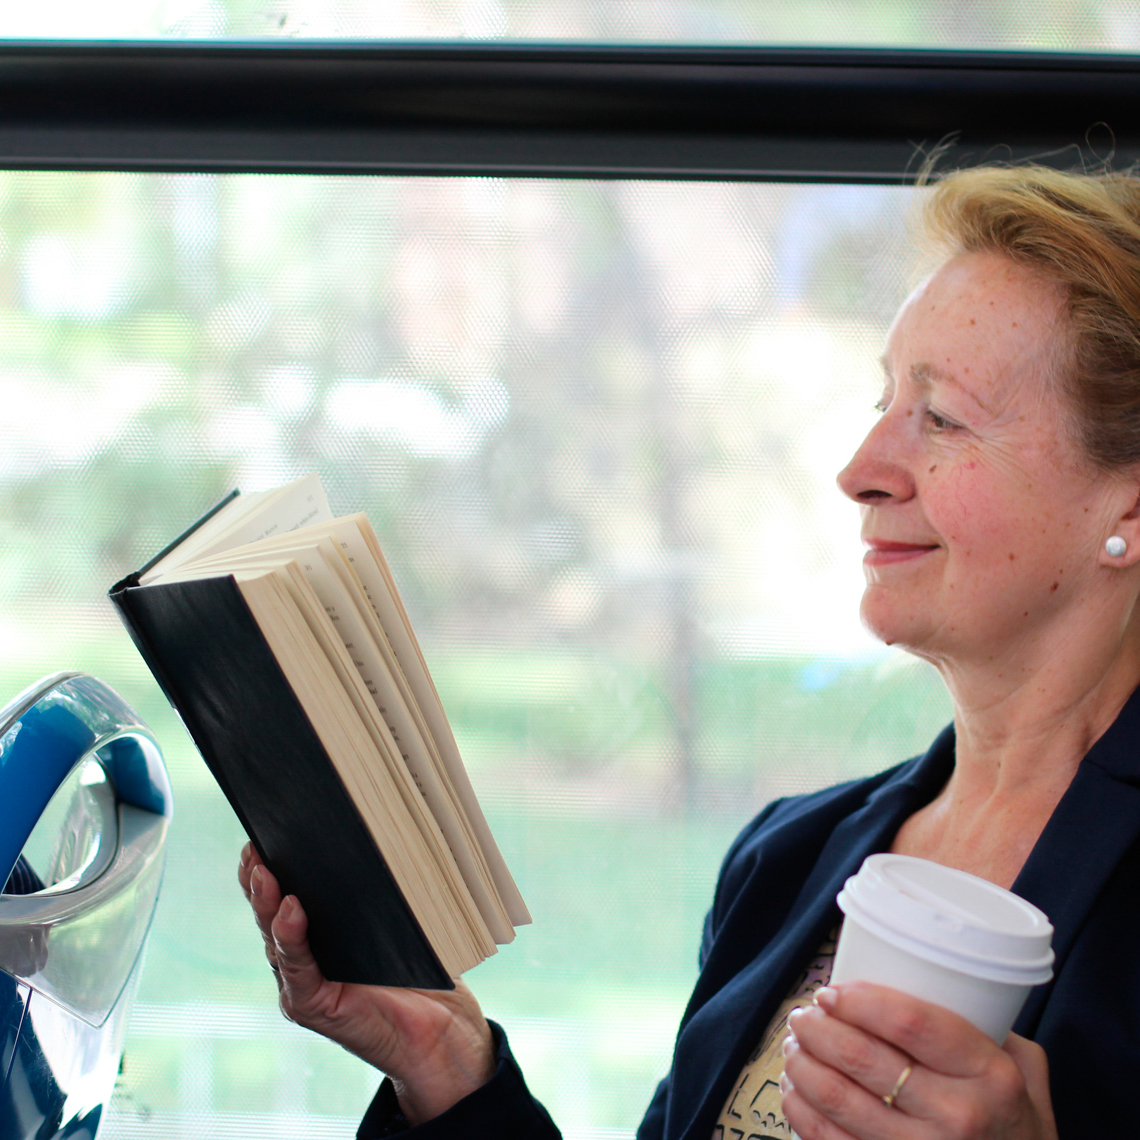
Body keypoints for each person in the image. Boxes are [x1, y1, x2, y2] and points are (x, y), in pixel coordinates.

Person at [238, 163, 1140, 1138]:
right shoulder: (790, 860)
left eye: (943, 418)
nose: (860, 471)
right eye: (882, 404)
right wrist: (443, 1059)